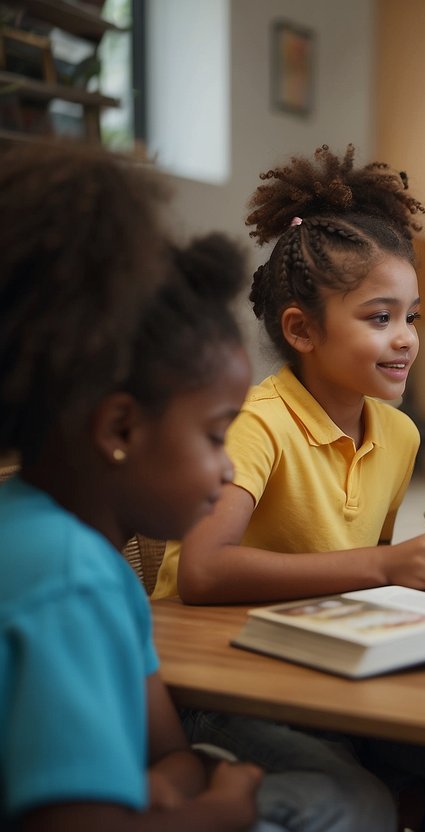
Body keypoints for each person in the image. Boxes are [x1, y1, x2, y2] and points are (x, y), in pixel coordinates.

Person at [151, 144, 425, 831]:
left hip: (326, 670)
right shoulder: (257, 423)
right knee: (354, 793)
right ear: (301, 329)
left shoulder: (396, 435)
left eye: (410, 318)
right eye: (377, 318)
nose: (403, 340)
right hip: (227, 684)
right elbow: (205, 573)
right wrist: (385, 564)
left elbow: (369, 576)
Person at [0, 143, 260, 830]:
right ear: (119, 426)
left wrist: (173, 783)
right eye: (214, 434)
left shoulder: (62, 545)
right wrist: (221, 814)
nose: (229, 467)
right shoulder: (70, 574)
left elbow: (166, 752)